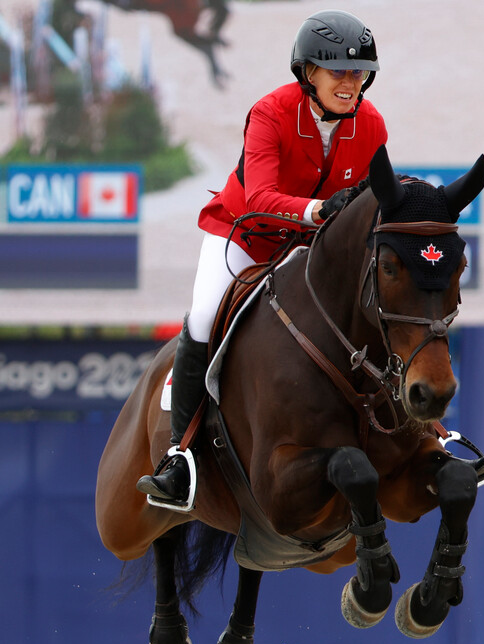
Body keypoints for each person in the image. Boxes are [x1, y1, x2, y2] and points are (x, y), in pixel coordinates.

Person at [137, 10, 389, 507]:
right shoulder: (270, 112)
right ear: (307, 72)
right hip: (245, 237)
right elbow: (259, 198)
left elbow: (373, 200)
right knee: (205, 317)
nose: (350, 81)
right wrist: (319, 210)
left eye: (358, 72)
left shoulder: (372, 124)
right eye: (337, 70)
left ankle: (430, 434)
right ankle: (179, 459)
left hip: (308, 253)